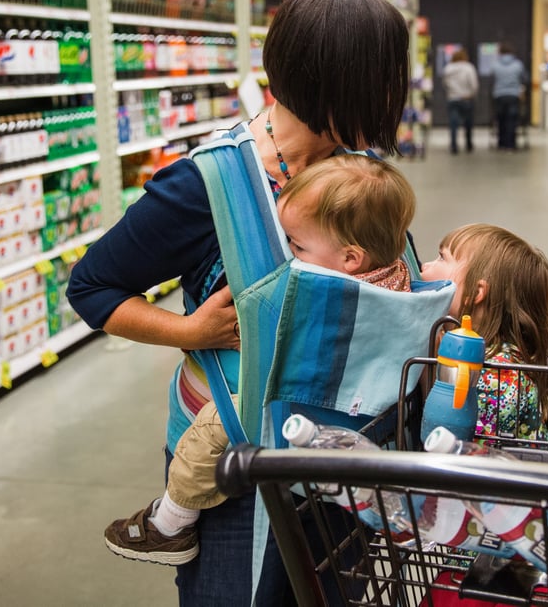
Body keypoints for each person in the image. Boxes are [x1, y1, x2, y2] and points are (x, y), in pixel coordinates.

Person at [66, 0, 411, 606]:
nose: (394, 97)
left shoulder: (354, 169)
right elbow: (92, 286)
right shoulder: (207, 185)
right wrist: (189, 331)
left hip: (338, 450)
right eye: (383, 79)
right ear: (332, 81)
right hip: (234, 466)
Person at [102, 154, 417, 566]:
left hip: (297, 410)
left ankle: (171, 522)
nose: (287, 253)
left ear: (350, 258)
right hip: (362, 417)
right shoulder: (397, 274)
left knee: (206, 433)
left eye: (297, 245)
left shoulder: (320, 294)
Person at [420, 223, 548, 441]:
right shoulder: (477, 352)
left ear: (475, 292)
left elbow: (468, 448)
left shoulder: (499, 376)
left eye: (441, 258)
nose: (425, 266)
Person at [490, 41, 528, 150]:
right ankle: (511, 144)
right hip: (513, 95)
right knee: (512, 120)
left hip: (499, 95)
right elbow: (524, 78)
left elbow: (491, 80)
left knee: (501, 119)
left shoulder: (495, 65)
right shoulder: (518, 64)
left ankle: (501, 143)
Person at [442, 48, 479, 155]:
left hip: (452, 98)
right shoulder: (468, 68)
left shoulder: (447, 69)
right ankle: (468, 144)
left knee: (453, 124)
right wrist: (472, 94)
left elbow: (445, 84)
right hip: (466, 98)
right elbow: (474, 83)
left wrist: (450, 93)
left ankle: (454, 146)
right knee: (468, 123)